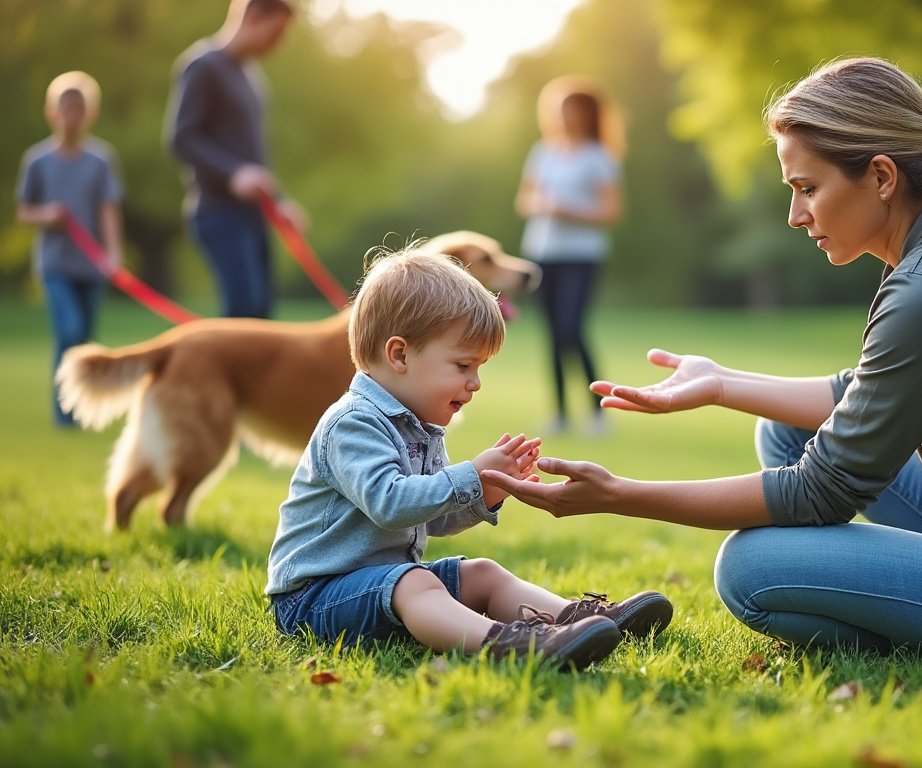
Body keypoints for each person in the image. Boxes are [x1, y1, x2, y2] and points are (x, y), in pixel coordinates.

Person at [483, 57, 922, 666]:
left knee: (752, 570)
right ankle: (920, 604)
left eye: (807, 188)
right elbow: (870, 394)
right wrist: (722, 385)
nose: (797, 215)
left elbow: (821, 494)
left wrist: (619, 494)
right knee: (782, 433)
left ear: (881, 176)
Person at [264, 244, 673, 669]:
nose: (475, 383)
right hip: (314, 600)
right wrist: (471, 475)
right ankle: (508, 645)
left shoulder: (421, 426)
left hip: (384, 586)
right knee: (415, 582)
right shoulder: (353, 424)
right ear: (400, 355)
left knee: (481, 573)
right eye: (463, 366)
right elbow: (391, 504)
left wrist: (489, 491)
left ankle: (579, 621)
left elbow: (433, 518)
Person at [166, 0, 305, 319]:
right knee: (245, 312)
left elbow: (254, 155)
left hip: (254, 216)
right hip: (218, 213)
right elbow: (182, 138)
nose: (279, 44)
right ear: (254, 16)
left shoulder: (251, 76)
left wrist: (279, 201)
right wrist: (233, 174)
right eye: (277, 32)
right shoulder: (203, 65)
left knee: (261, 316)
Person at [514, 76, 625, 435]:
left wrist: (565, 209)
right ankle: (560, 413)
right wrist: (540, 205)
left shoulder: (598, 157)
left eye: (571, 110)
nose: (564, 117)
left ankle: (597, 410)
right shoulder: (543, 151)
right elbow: (524, 199)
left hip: (581, 255)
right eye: (560, 110)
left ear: (586, 114)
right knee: (552, 335)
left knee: (571, 329)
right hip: (542, 253)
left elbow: (610, 212)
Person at [16, 71, 125, 428]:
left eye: (79, 110)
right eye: (65, 109)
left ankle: (80, 410)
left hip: (90, 265)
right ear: (52, 112)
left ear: (89, 114)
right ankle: (64, 415)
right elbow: (24, 210)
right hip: (55, 264)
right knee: (70, 331)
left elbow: (108, 208)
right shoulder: (37, 161)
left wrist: (113, 254)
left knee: (85, 340)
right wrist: (47, 215)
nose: (71, 117)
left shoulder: (100, 160)